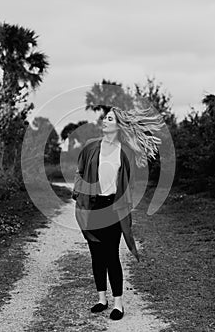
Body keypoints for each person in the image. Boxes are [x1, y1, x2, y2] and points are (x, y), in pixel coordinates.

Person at [72, 105, 163, 320]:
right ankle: (101, 299)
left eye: (109, 118)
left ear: (118, 125)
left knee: (112, 255)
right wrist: (79, 191)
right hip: (93, 207)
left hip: (113, 208)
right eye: (105, 117)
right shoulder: (91, 147)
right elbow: (80, 171)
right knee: (96, 254)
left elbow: (129, 181)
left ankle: (118, 304)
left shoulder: (125, 152)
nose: (104, 120)